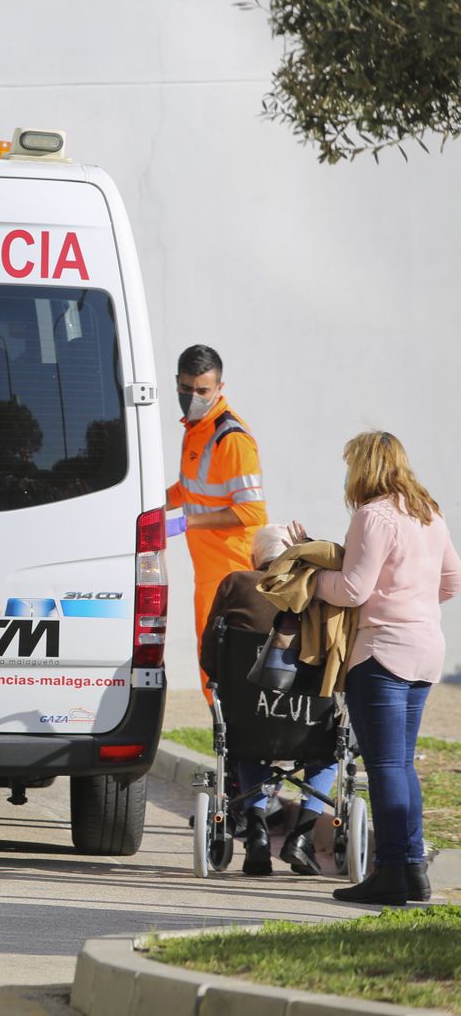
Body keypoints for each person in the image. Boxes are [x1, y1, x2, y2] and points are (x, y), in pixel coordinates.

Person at [301, 432, 461, 905]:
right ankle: (411, 870)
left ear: (365, 467)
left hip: (383, 652)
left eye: (351, 464)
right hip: (426, 647)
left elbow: (351, 589)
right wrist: (410, 601)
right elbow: (451, 582)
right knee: (402, 764)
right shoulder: (428, 512)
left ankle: (393, 871)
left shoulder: (372, 516)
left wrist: (310, 581)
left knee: (387, 765)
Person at [200, 523, 338, 877]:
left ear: (253, 558)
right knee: (328, 752)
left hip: (252, 720)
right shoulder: (319, 590)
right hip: (308, 722)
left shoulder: (236, 582)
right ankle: (303, 836)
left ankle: (258, 833)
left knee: (248, 741)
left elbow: (210, 654)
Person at [165, 345, 268, 704]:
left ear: (219, 388)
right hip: (209, 568)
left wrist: (185, 522)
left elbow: (252, 511)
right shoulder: (195, 430)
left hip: (231, 570)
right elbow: (189, 489)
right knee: (211, 659)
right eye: (186, 388)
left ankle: (235, 750)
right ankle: (225, 746)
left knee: (223, 661)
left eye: (202, 390)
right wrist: (148, 503)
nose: (192, 397)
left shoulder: (231, 439)